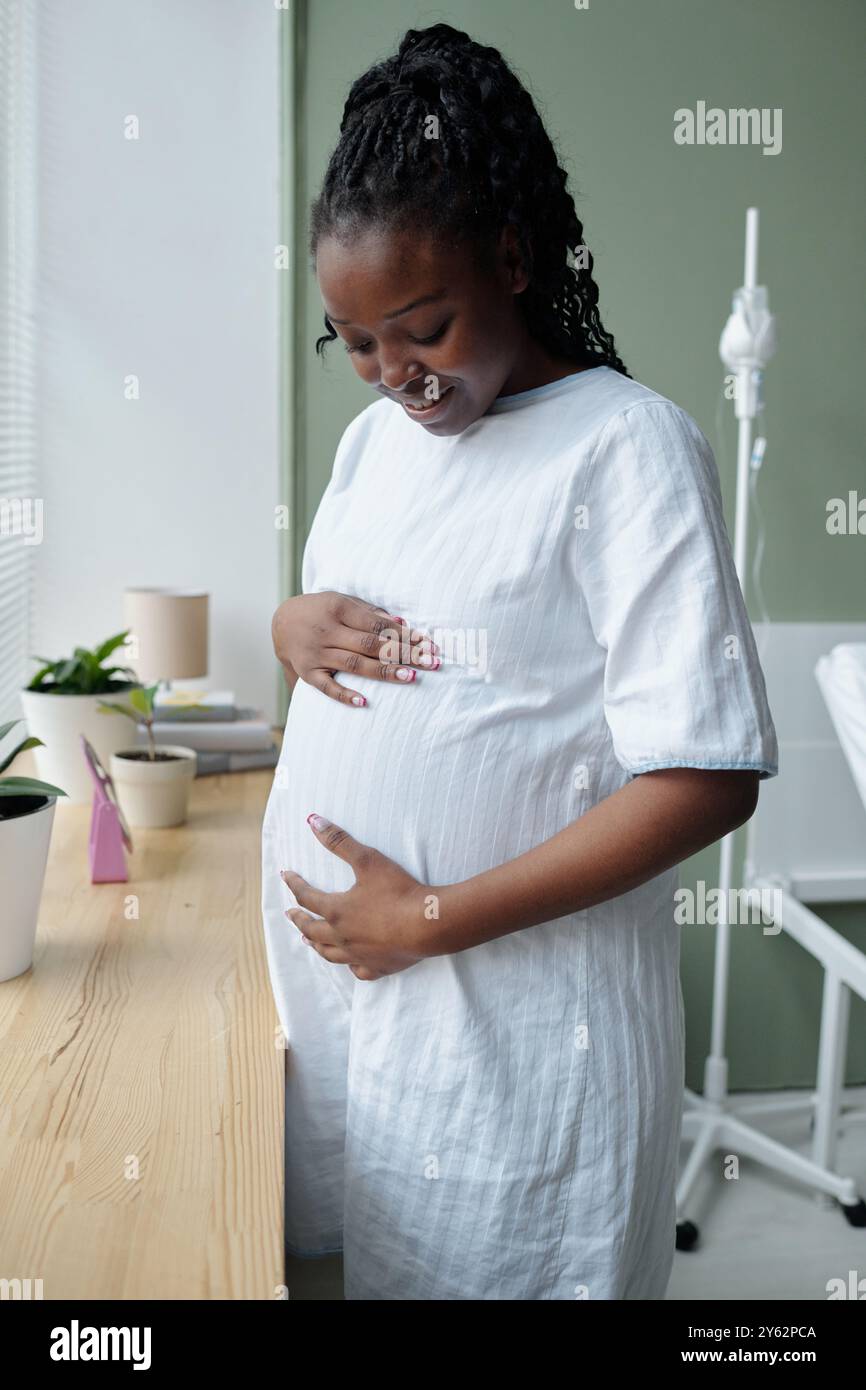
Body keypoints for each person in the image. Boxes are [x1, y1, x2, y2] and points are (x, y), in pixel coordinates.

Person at [261, 21, 778, 1301]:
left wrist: (425, 919)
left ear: (510, 256)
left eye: (422, 328)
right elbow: (363, 634)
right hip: (357, 1022)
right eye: (358, 344)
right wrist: (290, 626)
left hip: (523, 1046)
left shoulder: (625, 450)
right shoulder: (374, 449)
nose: (394, 376)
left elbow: (704, 776)